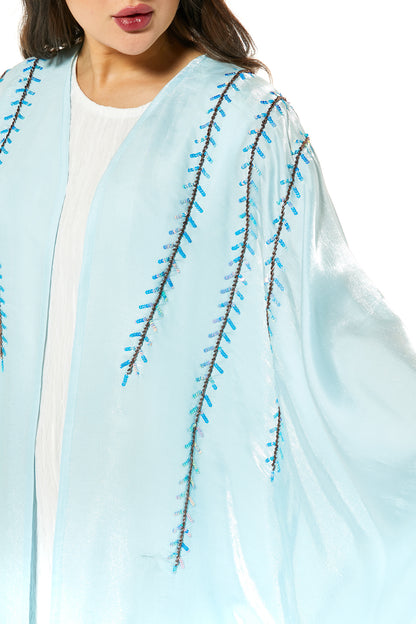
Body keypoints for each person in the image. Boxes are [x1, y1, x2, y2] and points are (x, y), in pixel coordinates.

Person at [0, 1, 415, 622]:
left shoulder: (250, 127)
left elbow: (335, 340)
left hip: (166, 556)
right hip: (19, 534)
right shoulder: (12, 107)